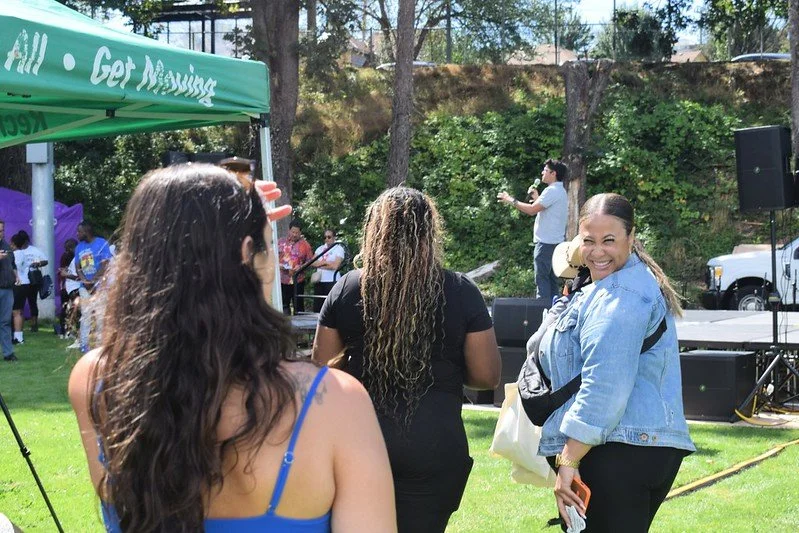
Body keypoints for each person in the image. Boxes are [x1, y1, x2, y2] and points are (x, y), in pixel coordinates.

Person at [68, 164, 396, 532]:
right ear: (246, 253)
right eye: (269, 245)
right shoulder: (335, 402)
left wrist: (218, 210)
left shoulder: (95, 380)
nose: (272, 259)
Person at [313, 187, 502, 533]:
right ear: (429, 232)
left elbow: (321, 370)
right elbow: (487, 375)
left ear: (375, 231)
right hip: (434, 445)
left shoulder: (347, 288)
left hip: (361, 441)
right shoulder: (461, 291)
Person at [536, 193, 695, 532]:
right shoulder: (623, 286)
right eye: (588, 240)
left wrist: (568, 459)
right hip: (630, 447)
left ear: (631, 237)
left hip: (617, 450)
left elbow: (604, 389)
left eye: (609, 240)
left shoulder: (620, 296)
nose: (597, 251)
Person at [497, 159, 568, 303]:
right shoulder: (560, 190)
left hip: (546, 244)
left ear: (553, 173)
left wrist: (510, 199)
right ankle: (553, 313)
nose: (542, 172)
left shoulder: (551, 190)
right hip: (555, 243)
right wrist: (536, 197)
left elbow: (531, 210)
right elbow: (540, 207)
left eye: (545, 170)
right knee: (551, 281)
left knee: (542, 282)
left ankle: (541, 314)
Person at [73, 221, 113, 352]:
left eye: (79, 232)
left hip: (100, 286)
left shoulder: (102, 243)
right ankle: (84, 345)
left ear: (86, 232)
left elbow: (105, 264)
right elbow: (78, 267)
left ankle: (101, 345)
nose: (77, 234)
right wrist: (85, 281)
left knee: (101, 316)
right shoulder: (79, 247)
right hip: (84, 287)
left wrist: (94, 281)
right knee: (86, 315)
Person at [10, 230, 48, 343]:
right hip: (26, 282)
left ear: (14, 244)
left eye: (11, 244)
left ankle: (17, 336)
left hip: (18, 283)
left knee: (15, 311)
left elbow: (13, 268)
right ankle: (19, 335)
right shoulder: (22, 253)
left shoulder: (15, 254)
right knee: (20, 311)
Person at [278, 221, 313, 315]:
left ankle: (300, 328)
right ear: (289, 230)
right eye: (293, 232)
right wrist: (278, 264)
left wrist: (301, 267)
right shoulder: (280, 242)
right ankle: (284, 326)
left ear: (300, 233)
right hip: (283, 280)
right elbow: (272, 257)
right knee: (283, 306)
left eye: (297, 232)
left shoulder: (305, 245)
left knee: (299, 306)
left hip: (298, 280)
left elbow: (310, 262)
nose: (294, 234)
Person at [311, 229, 346, 312]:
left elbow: (335, 266)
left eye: (329, 237)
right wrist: (327, 263)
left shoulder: (339, 249)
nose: (327, 239)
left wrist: (320, 264)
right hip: (319, 280)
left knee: (331, 307)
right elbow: (312, 262)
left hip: (332, 281)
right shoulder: (320, 249)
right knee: (318, 307)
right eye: (325, 237)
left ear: (334, 237)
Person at [0, 220, 19, 362]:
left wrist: (16, 275)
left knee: (5, 322)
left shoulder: (7, 246)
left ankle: (8, 353)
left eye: (2, 230)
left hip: (7, 289)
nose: (1, 233)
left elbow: (13, 264)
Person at [58, 238, 80, 339]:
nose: (67, 251)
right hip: (68, 285)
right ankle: (65, 331)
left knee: (71, 309)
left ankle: (68, 331)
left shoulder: (77, 256)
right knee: (67, 309)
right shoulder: (67, 256)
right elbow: (63, 272)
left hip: (70, 285)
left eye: (68, 249)